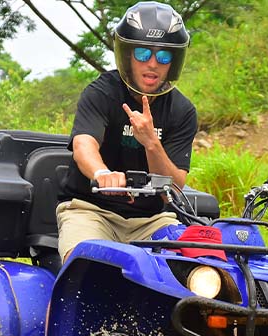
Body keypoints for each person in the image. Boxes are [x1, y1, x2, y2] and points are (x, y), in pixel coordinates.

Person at [57, 1, 197, 262]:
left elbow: (175, 185)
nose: (153, 64)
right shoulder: (101, 93)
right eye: (143, 54)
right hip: (91, 210)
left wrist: (151, 143)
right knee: (82, 267)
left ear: (174, 62)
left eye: (164, 56)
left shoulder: (182, 110)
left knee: (191, 268)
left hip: (152, 220)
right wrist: (102, 174)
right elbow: (84, 145)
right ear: (128, 55)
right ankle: (58, 303)